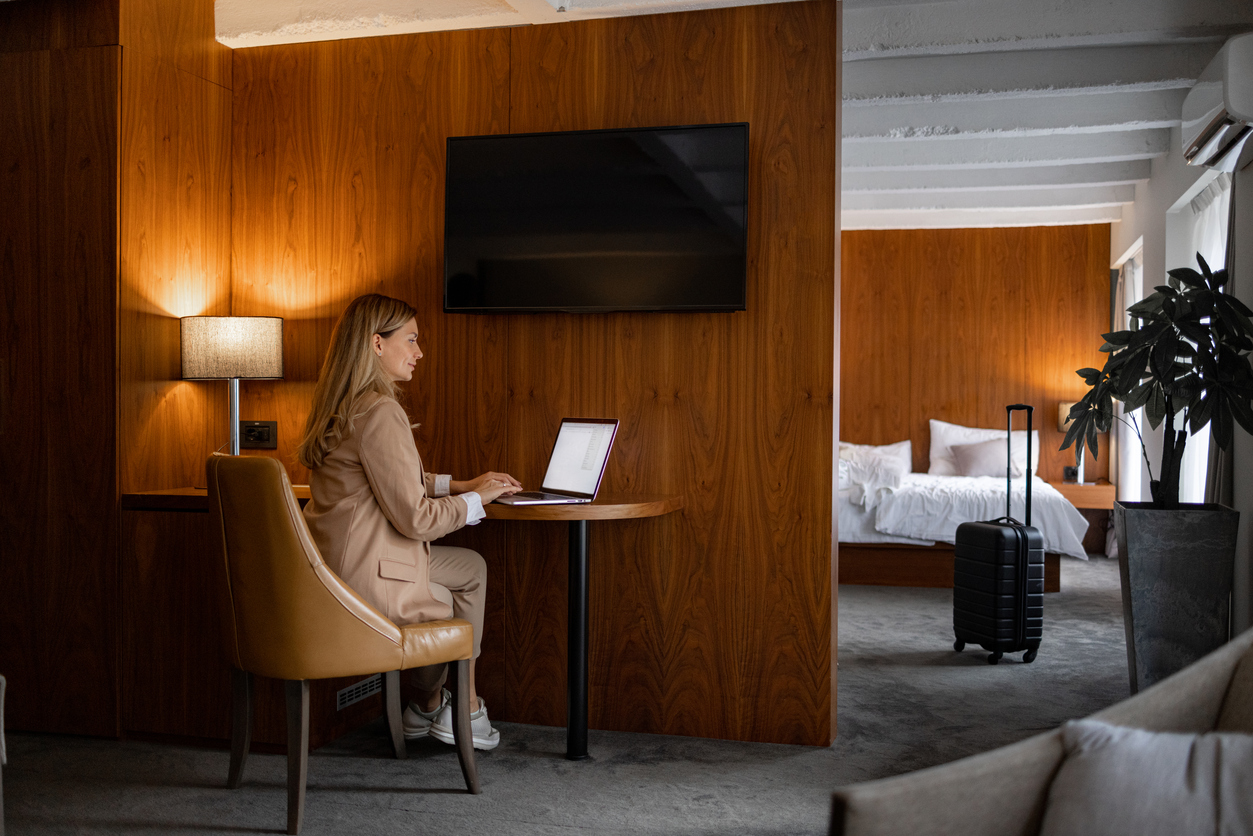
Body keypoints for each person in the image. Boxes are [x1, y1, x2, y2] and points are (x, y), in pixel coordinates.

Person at [295, 293, 520, 750]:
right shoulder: (381, 411)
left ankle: (432, 704)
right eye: (412, 340)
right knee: (455, 601)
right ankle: (460, 707)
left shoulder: (345, 405)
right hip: (366, 579)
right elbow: (415, 519)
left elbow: (387, 478)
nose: (419, 352)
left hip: (332, 568)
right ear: (377, 344)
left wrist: (459, 485)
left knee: (471, 568)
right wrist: (477, 500)